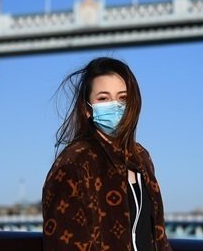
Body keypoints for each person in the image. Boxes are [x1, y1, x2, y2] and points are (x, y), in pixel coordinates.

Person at [42, 57, 172, 251]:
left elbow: (158, 237)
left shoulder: (141, 157)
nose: (115, 106)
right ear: (87, 109)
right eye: (103, 98)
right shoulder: (74, 162)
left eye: (123, 98)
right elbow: (63, 243)